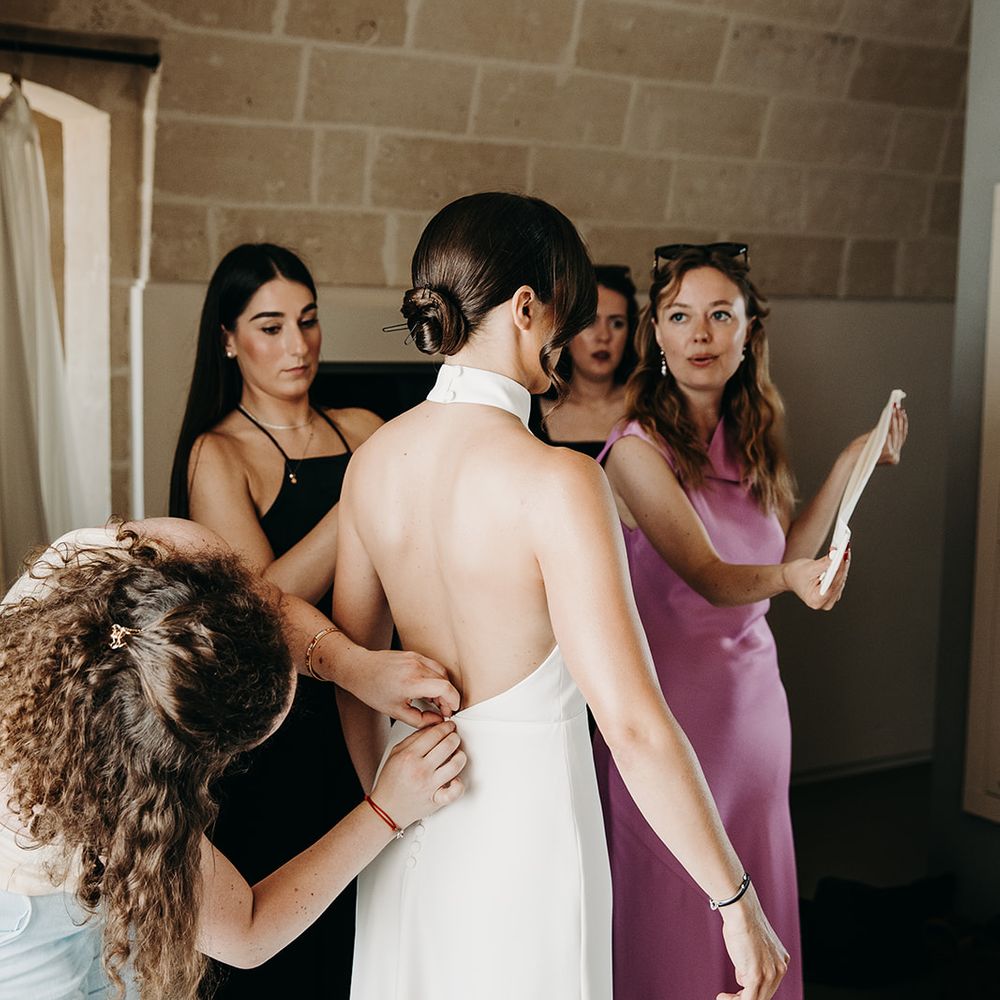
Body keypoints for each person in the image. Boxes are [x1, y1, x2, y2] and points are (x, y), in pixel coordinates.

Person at [333, 193, 798, 1000]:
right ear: (523, 309)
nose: (572, 341)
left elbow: (355, 671)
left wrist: (391, 799)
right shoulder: (558, 480)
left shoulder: (373, 463)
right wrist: (733, 896)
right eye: (564, 317)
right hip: (531, 838)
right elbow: (631, 721)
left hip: (408, 819)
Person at [593, 241, 908, 999]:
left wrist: (850, 465)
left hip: (756, 712)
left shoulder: (753, 439)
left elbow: (784, 558)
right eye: (679, 316)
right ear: (657, 338)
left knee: (758, 900)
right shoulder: (635, 450)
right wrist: (794, 579)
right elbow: (710, 577)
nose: (700, 334)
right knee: (675, 911)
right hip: (669, 722)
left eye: (719, 315)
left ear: (747, 334)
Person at [0, 518, 466, 1000]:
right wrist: (386, 810)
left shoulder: (163, 554)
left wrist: (351, 665)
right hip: (19, 919)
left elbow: (273, 605)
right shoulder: (114, 787)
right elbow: (245, 932)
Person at [168, 244, 384, 997]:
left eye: (308, 320)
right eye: (270, 326)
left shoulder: (362, 425)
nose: (298, 346)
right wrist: (360, 495)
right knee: (288, 938)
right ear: (228, 338)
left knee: (370, 922)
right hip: (278, 725)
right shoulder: (218, 452)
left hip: (376, 700)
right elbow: (256, 603)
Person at [531, 264, 638, 458]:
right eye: (590, 322)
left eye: (617, 323)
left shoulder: (646, 405)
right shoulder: (531, 410)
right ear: (569, 332)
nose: (604, 336)